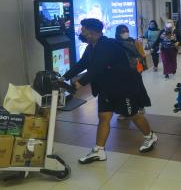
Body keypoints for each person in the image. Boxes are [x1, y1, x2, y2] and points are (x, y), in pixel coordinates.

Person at [61, 19, 157, 164]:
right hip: (106, 88)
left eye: (84, 30)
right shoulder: (91, 47)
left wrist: (79, 83)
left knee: (132, 115)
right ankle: (99, 150)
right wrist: (64, 77)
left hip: (123, 87)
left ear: (93, 32)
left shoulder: (108, 45)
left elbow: (97, 68)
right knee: (104, 117)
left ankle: (150, 136)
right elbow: (82, 64)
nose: (82, 33)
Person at [115, 25, 151, 118]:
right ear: (118, 33)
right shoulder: (115, 43)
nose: (125, 33)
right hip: (121, 71)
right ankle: (124, 111)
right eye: (123, 31)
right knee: (123, 92)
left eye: (126, 31)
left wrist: (139, 65)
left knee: (138, 88)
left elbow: (142, 55)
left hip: (134, 69)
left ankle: (141, 106)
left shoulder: (134, 42)